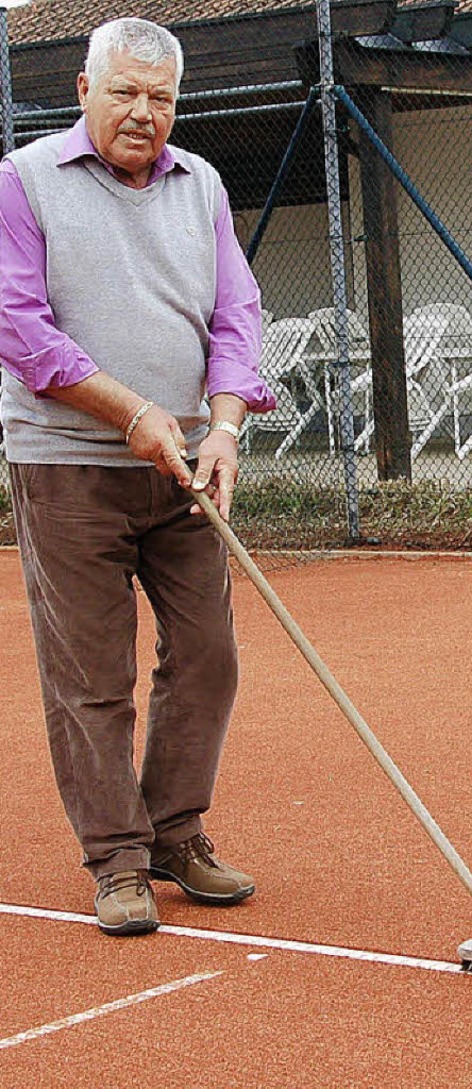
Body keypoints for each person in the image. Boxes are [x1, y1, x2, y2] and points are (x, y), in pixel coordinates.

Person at [0, 17, 275, 936]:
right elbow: (21, 329)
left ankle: (173, 832)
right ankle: (116, 858)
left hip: (188, 465)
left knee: (208, 657)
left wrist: (225, 426)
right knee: (92, 673)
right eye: (125, 93)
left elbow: (237, 316)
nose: (143, 113)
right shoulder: (23, 182)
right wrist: (132, 413)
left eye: (161, 98)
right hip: (68, 467)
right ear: (84, 89)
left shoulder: (201, 186)